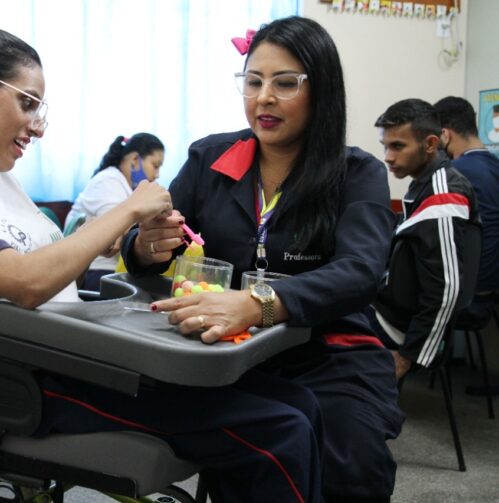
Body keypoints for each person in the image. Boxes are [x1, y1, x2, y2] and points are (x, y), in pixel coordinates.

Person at [0, 23, 325, 502]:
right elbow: (25, 282)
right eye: (27, 103)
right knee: (278, 431)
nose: (37, 126)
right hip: (14, 382)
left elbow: (62, 261)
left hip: (69, 357)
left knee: (298, 403)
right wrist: (127, 209)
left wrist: (137, 242)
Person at [122, 16, 404, 503]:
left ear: (322, 90)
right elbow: (145, 241)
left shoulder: (357, 173)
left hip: (331, 355)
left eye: (285, 83)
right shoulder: (211, 159)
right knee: (251, 460)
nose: (264, 97)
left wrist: (261, 304)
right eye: (253, 82)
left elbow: (360, 272)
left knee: (348, 456)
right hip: (229, 354)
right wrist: (143, 247)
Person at [371, 98, 479, 380]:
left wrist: (407, 357)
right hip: (387, 309)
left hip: (395, 327)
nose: (388, 157)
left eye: (397, 146)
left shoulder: (443, 192)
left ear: (430, 144)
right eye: (386, 146)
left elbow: (448, 288)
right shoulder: (423, 184)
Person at [66, 133, 165, 290]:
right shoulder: (108, 182)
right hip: (95, 272)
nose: (157, 174)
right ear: (134, 160)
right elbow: (117, 231)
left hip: (111, 271)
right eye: (155, 165)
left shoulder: (125, 188)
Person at [434, 96, 499, 323]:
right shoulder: (495, 165)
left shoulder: (453, 174)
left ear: (445, 134)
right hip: (490, 291)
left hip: (466, 298)